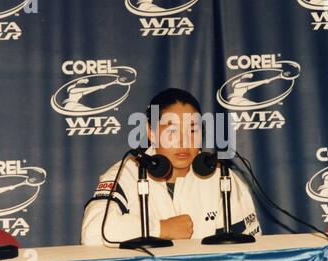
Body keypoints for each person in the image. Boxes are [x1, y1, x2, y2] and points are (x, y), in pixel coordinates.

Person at [81, 88, 261, 246]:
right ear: (151, 132)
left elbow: (250, 245)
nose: (183, 141)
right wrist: (162, 228)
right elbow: (93, 232)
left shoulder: (221, 176)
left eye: (192, 130)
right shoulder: (127, 172)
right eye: (172, 131)